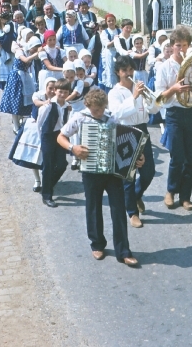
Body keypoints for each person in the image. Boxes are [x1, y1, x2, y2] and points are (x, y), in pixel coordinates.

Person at [57, 89, 140, 266]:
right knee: (93, 207)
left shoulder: (112, 119)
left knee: (118, 209)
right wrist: (73, 148)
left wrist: (137, 157)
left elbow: (126, 141)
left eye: (102, 109)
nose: (100, 113)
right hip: (90, 171)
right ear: (88, 106)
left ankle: (123, 251)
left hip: (112, 172)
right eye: (96, 110)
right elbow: (61, 136)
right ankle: (97, 244)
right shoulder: (80, 117)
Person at [155, 26, 192, 211]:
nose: (182, 49)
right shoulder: (164, 67)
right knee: (177, 157)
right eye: (178, 45)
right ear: (172, 46)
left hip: (191, 112)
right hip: (174, 114)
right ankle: (171, 191)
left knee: (190, 158)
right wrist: (174, 90)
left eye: (185, 45)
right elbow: (160, 97)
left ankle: (185, 197)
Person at [108, 56, 157, 228]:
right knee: (128, 175)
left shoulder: (138, 85)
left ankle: (136, 196)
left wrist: (149, 97)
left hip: (142, 128)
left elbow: (154, 109)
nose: (129, 73)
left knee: (149, 171)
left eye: (131, 70)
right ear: (118, 73)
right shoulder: (114, 92)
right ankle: (132, 213)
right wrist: (134, 97)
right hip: (125, 131)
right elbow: (117, 114)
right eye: (124, 71)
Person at [9, 77, 58, 193]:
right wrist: (45, 103)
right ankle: (37, 180)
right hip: (34, 128)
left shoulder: (57, 98)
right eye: (50, 88)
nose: (52, 91)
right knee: (32, 156)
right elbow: (36, 102)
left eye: (55, 89)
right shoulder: (38, 95)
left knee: (48, 157)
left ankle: (47, 177)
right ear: (45, 87)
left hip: (49, 130)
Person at [37, 78, 71, 207]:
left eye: (65, 92)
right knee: (48, 165)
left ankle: (48, 185)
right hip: (48, 136)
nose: (62, 95)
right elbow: (40, 123)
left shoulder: (67, 106)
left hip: (60, 136)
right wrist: (42, 140)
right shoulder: (48, 106)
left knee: (62, 164)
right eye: (60, 92)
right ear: (55, 91)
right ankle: (47, 196)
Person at [0, 34, 42, 133]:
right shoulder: (20, 51)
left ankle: (21, 121)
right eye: (34, 48)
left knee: (25, 101)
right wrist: (36, 53)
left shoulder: (30, 53)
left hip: (25, 77)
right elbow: (25, 60)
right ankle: (16, 126)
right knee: (15, 101)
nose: (35, 51)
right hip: (16, 77)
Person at [98, 14, 121, 93]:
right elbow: (107, 45)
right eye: (109, 21)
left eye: (112, 20)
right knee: (110, 72)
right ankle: (109, 91)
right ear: (106, 22)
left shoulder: (119, 31)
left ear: (115, 21)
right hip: (109, 54)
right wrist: (116, 39)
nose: (111, 22)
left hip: (119, 53)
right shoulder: (104, 33)